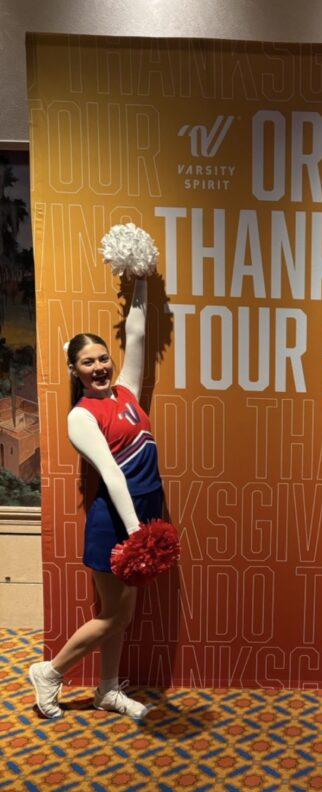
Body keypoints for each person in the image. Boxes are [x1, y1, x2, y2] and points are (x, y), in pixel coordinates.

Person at [29, 277, 161, 720]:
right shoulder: (81, 416)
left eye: (104, 357)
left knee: (123, 613)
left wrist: (140, 278)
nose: (101, 366)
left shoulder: (127, 392)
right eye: (89, 362)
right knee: (115, 616)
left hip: (143, 514)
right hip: (117, 522)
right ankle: (51, 671)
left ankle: (107, 689)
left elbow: (138, 335)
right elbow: (111, 472)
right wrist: (137, 532)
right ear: (75, 370)